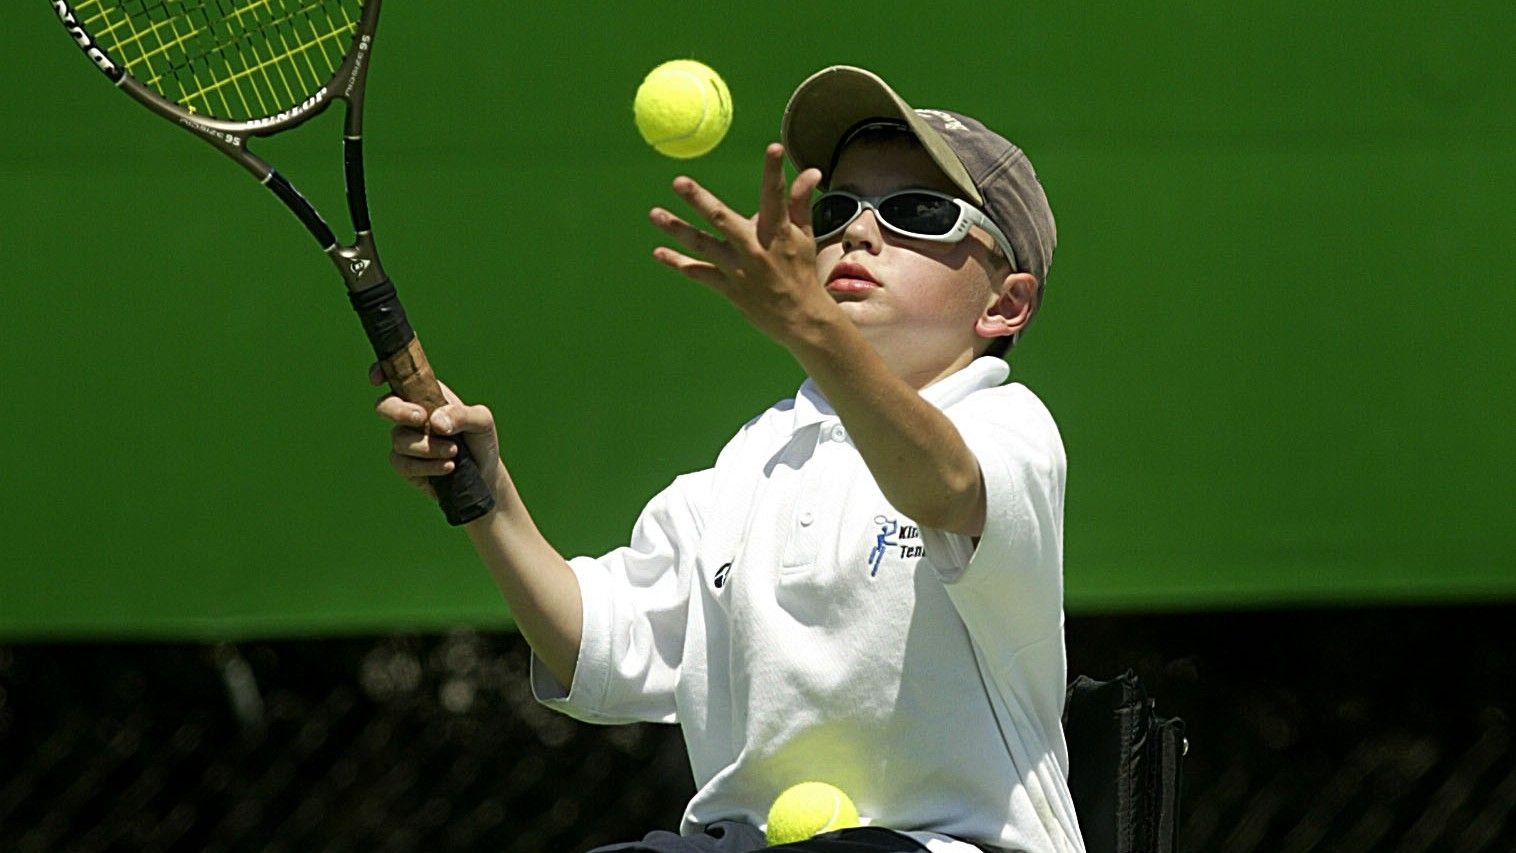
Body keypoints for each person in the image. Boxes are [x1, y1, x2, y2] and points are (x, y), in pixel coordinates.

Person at [373, 66, 1081, 853]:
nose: (858, 232)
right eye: (838, 208)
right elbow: (598, 644)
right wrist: (488, 493)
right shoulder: (748, 461)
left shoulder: (1004, 424)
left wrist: (812, 328)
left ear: (1004, 304)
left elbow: (943, 483)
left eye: (918, 212)